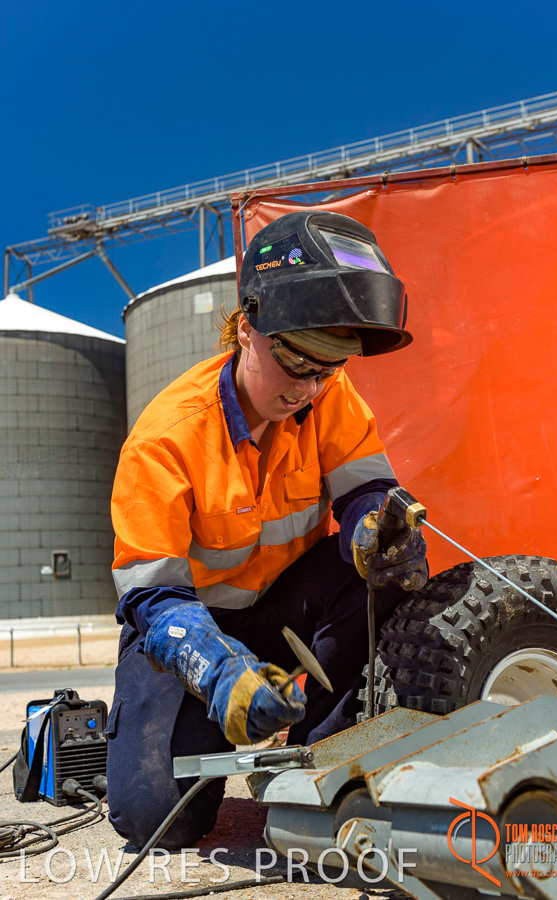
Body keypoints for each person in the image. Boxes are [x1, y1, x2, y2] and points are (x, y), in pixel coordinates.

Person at [105, 210, 428, 850]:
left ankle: (321, 760)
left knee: (381, 569)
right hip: (190, 627)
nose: (309, 388)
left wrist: (375, 527)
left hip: (282, 610)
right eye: (297, 363)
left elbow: (365, 492)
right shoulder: (164, 440)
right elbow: (151, 597)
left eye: (327, 369)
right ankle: (204, 714)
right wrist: (219, 671)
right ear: (247, 328)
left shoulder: (328, 395)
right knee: (157, 820)